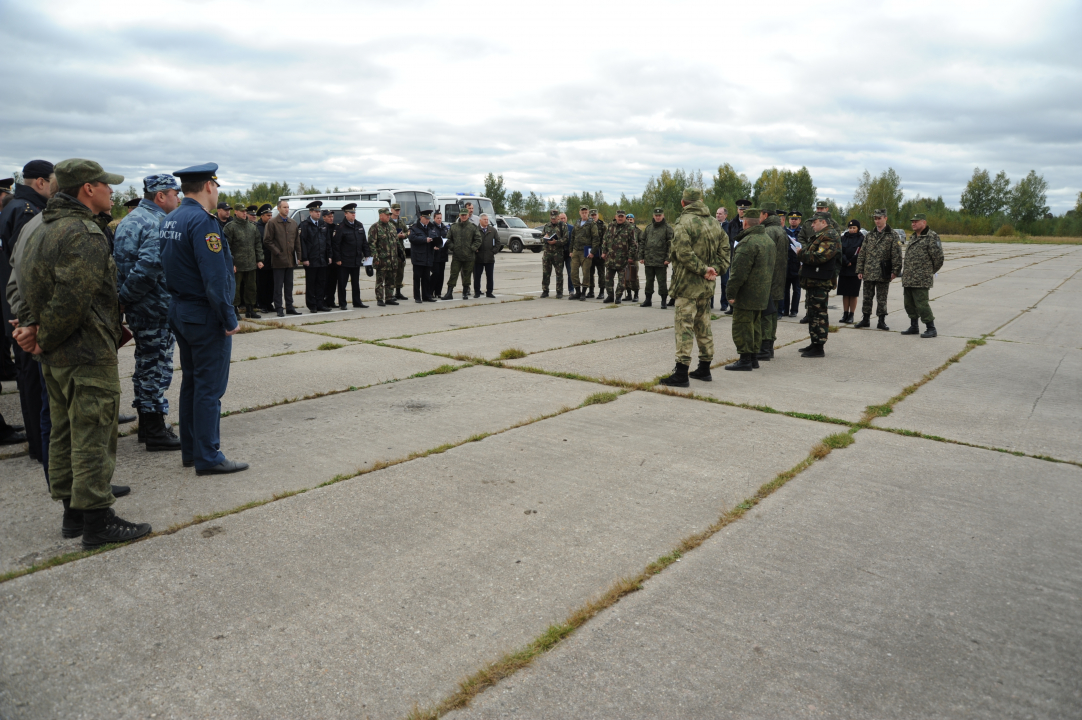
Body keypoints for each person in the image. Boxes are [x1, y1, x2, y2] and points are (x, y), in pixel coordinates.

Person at [18, 158, 152, 547]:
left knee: (63, 432)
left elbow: (27, 285)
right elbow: (71, 299)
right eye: (106, 185)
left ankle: (72, 515)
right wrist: (42, 337)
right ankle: (97, 521)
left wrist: (31, 330)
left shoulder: (42, 226)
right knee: (92, 433)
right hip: (84, 352)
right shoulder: (84, 234)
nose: (112, 191)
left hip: (56, 355)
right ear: (87, 189)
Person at [159, 162, 248, 475]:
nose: (218, 190)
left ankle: (192, 451)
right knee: (209, 388)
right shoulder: (202, 222)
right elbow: (214, 277)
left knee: (193, 384)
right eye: (217, 185)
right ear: (209, 186)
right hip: (203, 314)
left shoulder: (172, 218)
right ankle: (208, 457)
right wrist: (228, 318)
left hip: (180, 309)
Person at [113, 173, 183, 452]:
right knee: (155, 369)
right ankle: (154, 431)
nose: (178, 198)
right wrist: (124, 299)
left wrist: (125, 301)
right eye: (174, 193)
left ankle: (148, 425)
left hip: (142, 308)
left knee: (145, 366)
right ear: (160, 196)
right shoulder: (156, 222)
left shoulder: (129, 220)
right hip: (155, 308)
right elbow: (148, 269)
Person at [1, 160, 56, 461]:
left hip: (15, 308)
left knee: (30, 378)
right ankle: (41, 447)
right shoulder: (28, 213)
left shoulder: (16, 206)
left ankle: (40, 443)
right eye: (52, 182)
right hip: (24, 313)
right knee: (35, 381)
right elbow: (27, 272)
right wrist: (28, 317)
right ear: (40, 183)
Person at [659, 188, 726, 386]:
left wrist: (703, 269)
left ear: (683, 203)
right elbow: (725, 248)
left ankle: (681, 372)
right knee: (703, 325)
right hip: (706, 286)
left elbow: (683, 252)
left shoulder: (683, 222)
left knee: (684, 327)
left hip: (688, 285)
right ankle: (705, 368)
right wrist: (715, 269)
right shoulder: (715, 223)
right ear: (701, 201)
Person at [723, 208, 774, 371]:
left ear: (745, 223)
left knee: (743, 326)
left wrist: (730, 293)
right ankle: (753, 358)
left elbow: (738, 273)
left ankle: (745, 359)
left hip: (746, 294)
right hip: (762, 293)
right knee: (755, 325)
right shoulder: (768, 241)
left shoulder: (747, 243)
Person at [795, 211, 841, 357]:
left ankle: (819, 346)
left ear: (823, 222)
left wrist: (801, 254)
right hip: (813, 279)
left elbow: (821, 256)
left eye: (814, 222)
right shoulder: (821, 235)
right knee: (812, 313)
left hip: (821, 280)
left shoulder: (830, 235)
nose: (812, 225)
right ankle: (814, 342)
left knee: (819, 313)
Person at [855, 208, 903, 330]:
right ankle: (865, 319)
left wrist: (895, 271)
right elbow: (862, 253)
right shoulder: (870, 235)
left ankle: (881, 321)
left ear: (885, 218)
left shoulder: (892, 235)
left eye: (879, 218)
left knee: (882, 298)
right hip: (869, 271)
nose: (877, 221)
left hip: (883, 272)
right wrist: (860, 269)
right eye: (875, 219)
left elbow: (897, 255)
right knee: (867, 297)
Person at [900, 213, 944, 338]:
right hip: (909, 278)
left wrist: (928, 271)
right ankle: (914, 326)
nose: (913, 223)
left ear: (923, 222)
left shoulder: (931, 236)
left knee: (922, 304)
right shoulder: (913, 237)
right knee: (909, 304)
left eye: (916, 221)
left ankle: (931, 328)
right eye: (912, 221)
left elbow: (939, 259)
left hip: (921, 279)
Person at [755, 201, 788, 362]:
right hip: (778, 279)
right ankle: (769, 346)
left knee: (765, 314)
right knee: (772, 313)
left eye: (760, 214)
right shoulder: (781, 231)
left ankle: (764, 347)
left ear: (766, 215)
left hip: (767, 279)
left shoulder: (767, 232)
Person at [223, 203, 264, 319]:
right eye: (242, 211)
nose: (244, 213)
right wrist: (231, 263)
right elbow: (226, 247)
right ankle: (234, 309)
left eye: (245, 211)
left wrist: (259, 259)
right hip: (237, 264)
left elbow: (257, 244)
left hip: (251, 263)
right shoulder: (230, 227)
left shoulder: (252, 227)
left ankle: (250, 309)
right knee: (235, 288)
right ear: (235, 212)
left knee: (251, 287)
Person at [263, 199, 301, 317]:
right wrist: (277, 252)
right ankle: (279, 307)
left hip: (290, 260)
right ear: (279, 209)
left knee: (289, 286)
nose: (287, 209)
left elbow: (297, 241)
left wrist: (298, 256)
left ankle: (289, 307)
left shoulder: (293, 223)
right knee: (278, 286)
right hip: (278, 260)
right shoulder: (272, 223)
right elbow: (267, 240)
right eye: (284, 207)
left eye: (288, 207)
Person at [297, 201, 331, 313]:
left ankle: (320, 303)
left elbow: (328, 242)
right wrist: (305, 258)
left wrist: (329, 256)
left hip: (322, 259)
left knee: (321, 282)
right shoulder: (305, 225)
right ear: (310, 212)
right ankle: (312, 305)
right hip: (311, 259)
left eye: (319, 211)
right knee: (311, 283)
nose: (318, 213)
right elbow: (303, 243)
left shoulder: (323, 224)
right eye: (316, 211)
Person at [443, 207, 482, 300]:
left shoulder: (472, 227)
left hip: (469, 256)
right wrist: (453, 247)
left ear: (468, 215)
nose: (464, 216)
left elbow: (478, 239)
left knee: (467, 275)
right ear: (459, 215)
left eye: (465, 215)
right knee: (453, 274)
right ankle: (449, 293)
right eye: (462, 215)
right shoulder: (454, 227)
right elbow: (448, 239)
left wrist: (472, 248)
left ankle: (465, 292)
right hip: (457, 256)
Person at [638, 207, 673, 308]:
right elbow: (642, 242)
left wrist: (668, 258)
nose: (658, 217)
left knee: (662, 282)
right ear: (653, 216)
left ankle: (663, 301)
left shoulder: (667, 228)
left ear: (663, 216)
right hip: (649, 260)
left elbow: (671, 245)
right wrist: (641, 256)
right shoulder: (649, 228)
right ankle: (648, 300)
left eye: (660, 215)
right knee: (649, 282)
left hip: (661, 261)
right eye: (656, 215)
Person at [601, 209, 637, 303]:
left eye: (622, 216)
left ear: (625, 217)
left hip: (623, 259)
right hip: (610, 258)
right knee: (608, 280)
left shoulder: (629, 227)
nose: (620, 218)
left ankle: (618, 297)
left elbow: (633, 244)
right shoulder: (610, 226)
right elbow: (605, 240)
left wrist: (630, 256)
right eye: (619, 216)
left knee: (622, 282)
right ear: (615, 217)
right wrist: (604, 252)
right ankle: (610, 296)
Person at [369, 207, 400, 306]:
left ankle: (389, 297)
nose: (388, 216)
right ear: (380, 215)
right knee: (380, 281)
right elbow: (371, 244)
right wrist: (375, 258)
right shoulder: (375, 227)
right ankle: (379, 299)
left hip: (392, 259)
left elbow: (396, 242)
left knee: (391, 280)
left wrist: (400, 255)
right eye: (386, 215)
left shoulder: (392, 226)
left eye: (389, 215)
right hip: (382, 259)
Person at [837, 219, 864, 324]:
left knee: (853, 294)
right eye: (850, 228)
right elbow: (840, 251)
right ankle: (845, 314)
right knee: (845, 293)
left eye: (854, 228)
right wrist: (846, 261)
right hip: (844, 268)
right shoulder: (843, 238)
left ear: (858, 229)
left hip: (855, 269)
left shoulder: (862, 239)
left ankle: (851, 315)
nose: (852, 230)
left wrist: (851, 262)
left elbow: (861, 253)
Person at [569, 205, 598, 300]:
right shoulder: (577, 222)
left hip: (586, 251)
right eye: (582, 212)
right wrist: (571, 250)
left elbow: (595, 238)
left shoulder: (591, 223)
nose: (584, 214)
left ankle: (584, 292)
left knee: (586, 272)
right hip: (576, 251)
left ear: (588, 212)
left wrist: (593, 252)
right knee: (573, 272)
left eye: (586, 212)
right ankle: (577, 291)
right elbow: (572, 237)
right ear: (580, 213)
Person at [409, 209, 437, 302]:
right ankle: (417, 297)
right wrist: (425, 240)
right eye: (426, 218)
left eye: (429, 218)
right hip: (418, 257)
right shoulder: (414, 227)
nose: (427, 220)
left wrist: (436, 244)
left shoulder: (431, 227)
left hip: (428, 257)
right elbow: (412, 238)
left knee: (426, 278)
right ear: (421, 217)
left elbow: (435, 237)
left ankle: (426, 296)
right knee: (417, 278)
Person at [539, 209, 566, 298]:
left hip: (558, 254)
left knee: (559, 273)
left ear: (558, 217)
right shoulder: (546, 226)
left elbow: (566, 239)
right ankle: (545, 290)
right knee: (546, 273)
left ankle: (559, 292)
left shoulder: (563, 226)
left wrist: (556, 242)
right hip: (547, 253)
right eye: (552, 218)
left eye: (555, 218)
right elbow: (541, 238)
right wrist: (545, 238)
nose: (553, 220)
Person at [254, 204, 275, 312]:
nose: (270, 217)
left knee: (271, 284)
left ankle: (269, 303)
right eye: (268, 215)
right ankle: (262, 304)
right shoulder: (257, 227)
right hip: (262, 260)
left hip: (272, 260)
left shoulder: (273, 226)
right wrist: (258, 259)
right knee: (262, 284)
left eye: (271, 215)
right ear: (262, 216)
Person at [473, 214, 499, 299]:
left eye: (487, 219)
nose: (486, 221)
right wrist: (475, 249)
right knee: (477, 276)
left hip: (489, 257)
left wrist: (493, 251)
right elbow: (471, 241)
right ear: (480, 220)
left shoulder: (493, 230)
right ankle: (477, 292)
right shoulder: (475, 230)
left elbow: (498, 242)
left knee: (490, 276)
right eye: (484, 219)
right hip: (478, 257)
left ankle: (489, 292)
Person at [320, 208, 341, 310]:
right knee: (325, 281)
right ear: (324, 217)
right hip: (325, 258)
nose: (331, 218)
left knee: (333, 281)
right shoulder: (322, 227)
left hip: (334, 258)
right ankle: (323, 301)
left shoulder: (335, 227)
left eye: (332, 216)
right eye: (329, 216)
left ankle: (331, 300)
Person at [782, 211, 803, 316]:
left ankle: (794, 310)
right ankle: (785, 309)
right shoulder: (785, 231)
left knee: (796, 289)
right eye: (791, 219)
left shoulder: (802, 232)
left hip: (797, 264)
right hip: (786, 263)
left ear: (799, 220)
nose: (793, 220)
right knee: (785, 289)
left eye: (796, 219)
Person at [389, 203, 409, 301]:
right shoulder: (388, 222)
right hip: (391, 251)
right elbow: (386, 236)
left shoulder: (401, 221)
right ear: (391, 210)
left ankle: (398, 292)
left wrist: (404, 235)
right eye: (395, 210)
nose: (397, 211)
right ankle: (390, 293)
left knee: (400, 272)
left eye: (398, 210)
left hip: (400, 250)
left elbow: (407, 231)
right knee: (392, 273)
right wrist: (397, 236)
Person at [585, 209, 604, 298]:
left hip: (599, 252)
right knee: (590, 272)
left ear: (597, 215)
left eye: (595, 215)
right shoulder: (586, 225)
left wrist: (604, 252)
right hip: (589, 252)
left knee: (601, 273)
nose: (593, 216)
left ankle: (602, 292)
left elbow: (605, 240)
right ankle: (591, 291)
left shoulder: (602, 226)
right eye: (592, 215)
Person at [430, 210, 449, 300]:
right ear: (434, 218)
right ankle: (431, 291)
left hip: (443, 254)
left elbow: (447, 238)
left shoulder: (444, 228)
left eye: (440, 218)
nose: (439, 220)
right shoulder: (431, 227)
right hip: (435, 255)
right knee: (435, 273)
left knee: (441, 274)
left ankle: (438, 292)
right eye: (437, 218)